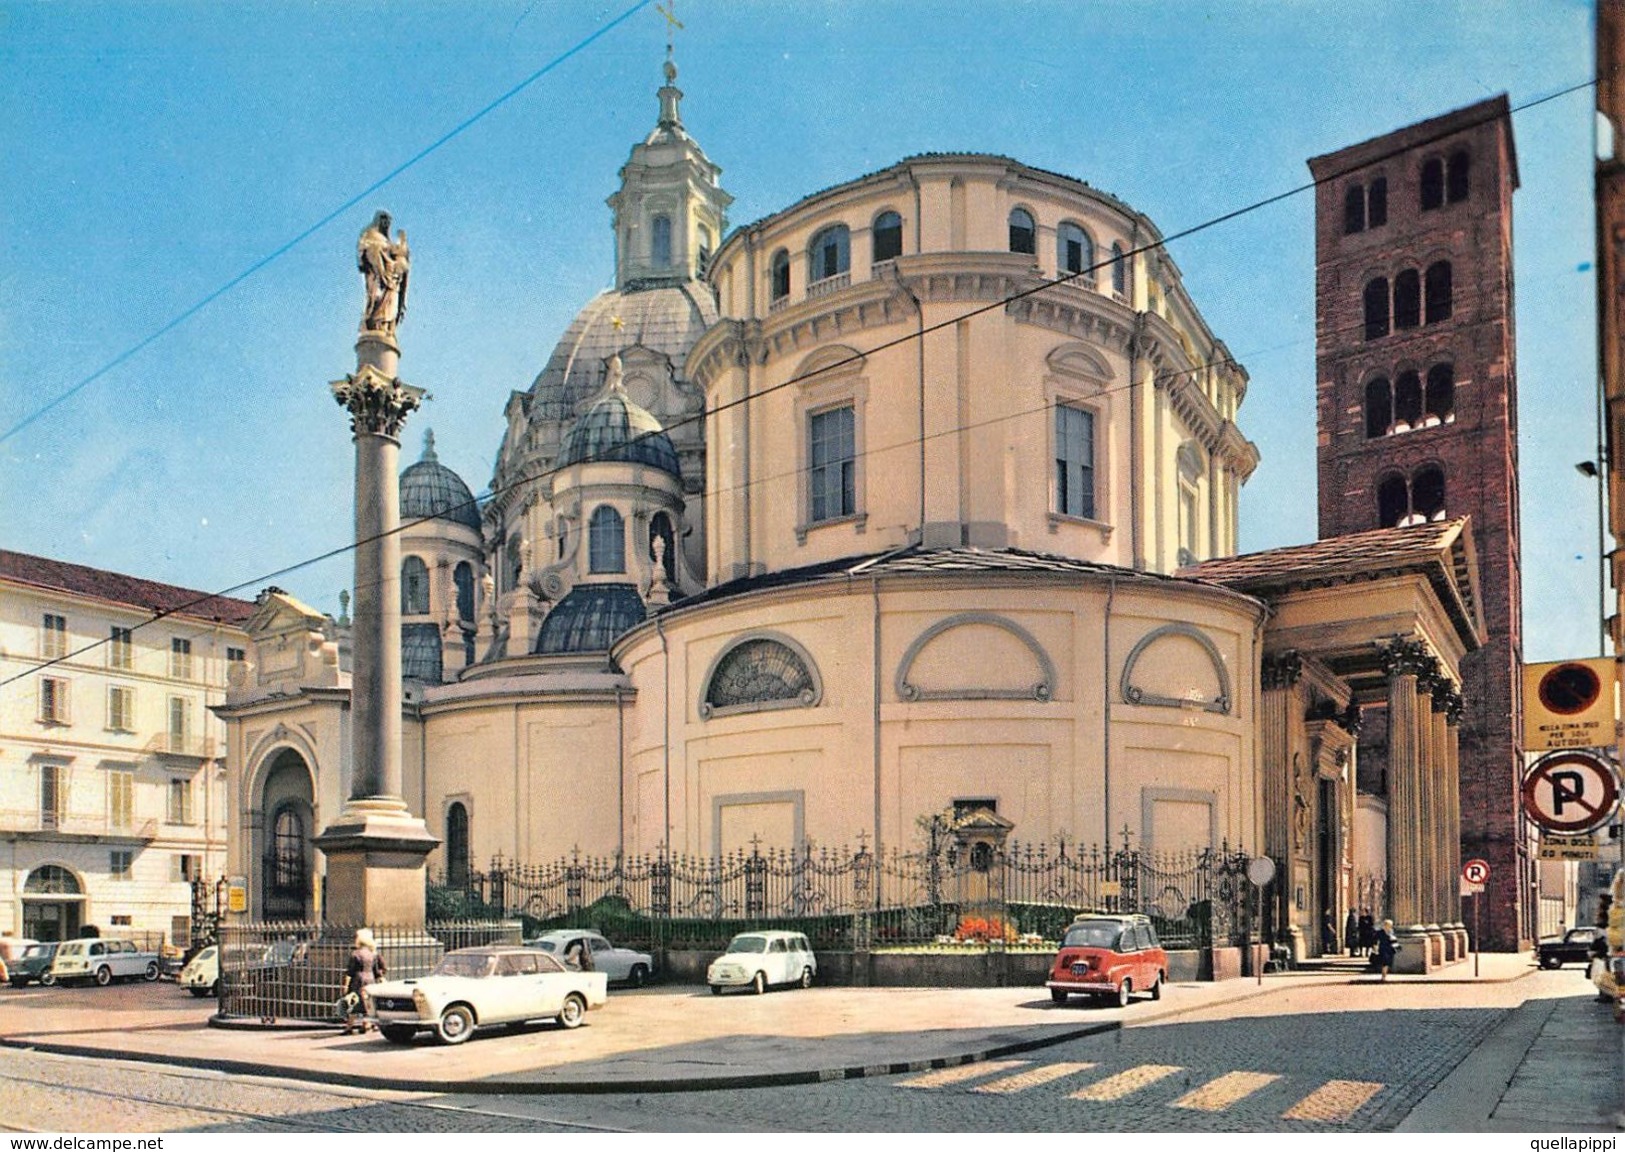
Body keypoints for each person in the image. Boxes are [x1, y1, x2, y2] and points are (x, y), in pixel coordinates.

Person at [343, 928, 387, 1035]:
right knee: (367, 1003)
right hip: (370, 978)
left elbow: (350, 971)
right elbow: (378, 970)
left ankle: (349, 1026)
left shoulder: (356, 954)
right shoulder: (373, 954)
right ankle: (366, 1024)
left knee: (354, 1001)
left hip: (358, 979)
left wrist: (345, 985)